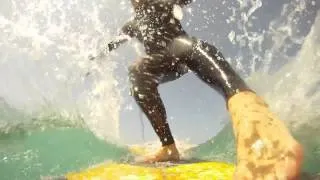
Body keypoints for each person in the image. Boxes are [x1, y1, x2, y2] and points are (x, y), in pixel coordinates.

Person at [94, 0, 303, 179]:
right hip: (159, 64)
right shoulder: (132, 25)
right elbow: (114, 43)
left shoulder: (163, 3)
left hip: (181, 54)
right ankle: (168, 147)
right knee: (137, 72)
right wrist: (98, 58)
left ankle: (250, 109)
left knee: (183, 45)